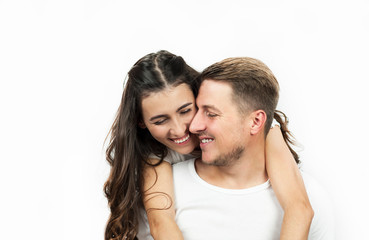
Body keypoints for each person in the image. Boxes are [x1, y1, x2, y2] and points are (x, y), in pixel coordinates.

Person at [104, 50, 314, 240]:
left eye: (186, 110)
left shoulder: (259, 129)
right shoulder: (154, 156)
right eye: (160, 121)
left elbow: (299, 208)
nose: (179, 130)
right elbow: (161, 222)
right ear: (141, 122)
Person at [171, 57, 334, 239]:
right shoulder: (166, 188)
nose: (193, 126)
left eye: (211, 114)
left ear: (256, 122)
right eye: (196, 110)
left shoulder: (310, 196)